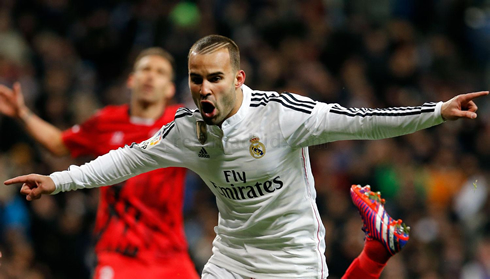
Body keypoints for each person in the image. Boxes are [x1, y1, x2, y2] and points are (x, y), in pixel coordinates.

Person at [4, 35, 488, 279]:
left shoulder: (282, 115)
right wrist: (57, 181)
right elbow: (125, 159)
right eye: (196, 78)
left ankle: (374, 253)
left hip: (293, 256)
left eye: (214, 78)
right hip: (231, 258)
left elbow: (362, 120)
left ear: (237, 79)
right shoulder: (184, 129)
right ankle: (375, 252)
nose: (203, 88)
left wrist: (437, 113)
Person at [0, 48, 199, 278]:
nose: (151, 76)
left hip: (170, 255)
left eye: (160, 72)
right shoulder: (107, 120)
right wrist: (22, 113)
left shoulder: (182, 123)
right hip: (118, 253)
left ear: (170, 88)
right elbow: (58, 143)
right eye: (145, 69)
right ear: (131, 80)